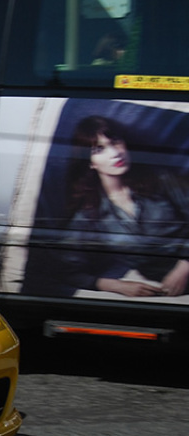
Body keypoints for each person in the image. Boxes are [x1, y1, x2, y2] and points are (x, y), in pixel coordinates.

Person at [59, 115, 189, 298]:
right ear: (90, 162)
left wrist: (184, 266)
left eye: (116, 142)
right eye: (99, 149)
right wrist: (113, 285)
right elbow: (66, 268)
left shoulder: (161, 179)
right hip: (160, 290)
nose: (114, 153)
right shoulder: (89, 214)